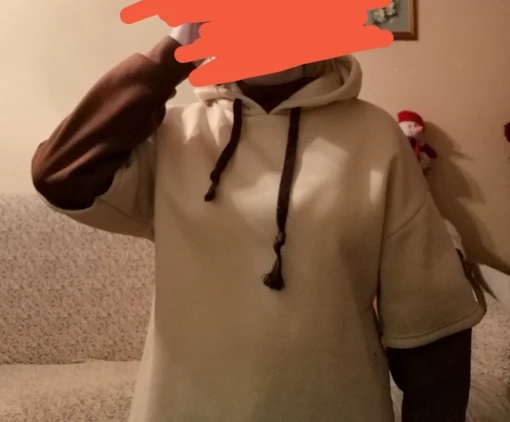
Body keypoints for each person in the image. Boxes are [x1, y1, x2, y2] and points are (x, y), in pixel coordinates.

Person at [32, 25, 485, 422]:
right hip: (184, 406)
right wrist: (173, 52)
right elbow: (60, 175)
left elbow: (431, 324)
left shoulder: (375, 135)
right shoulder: (177, 136)